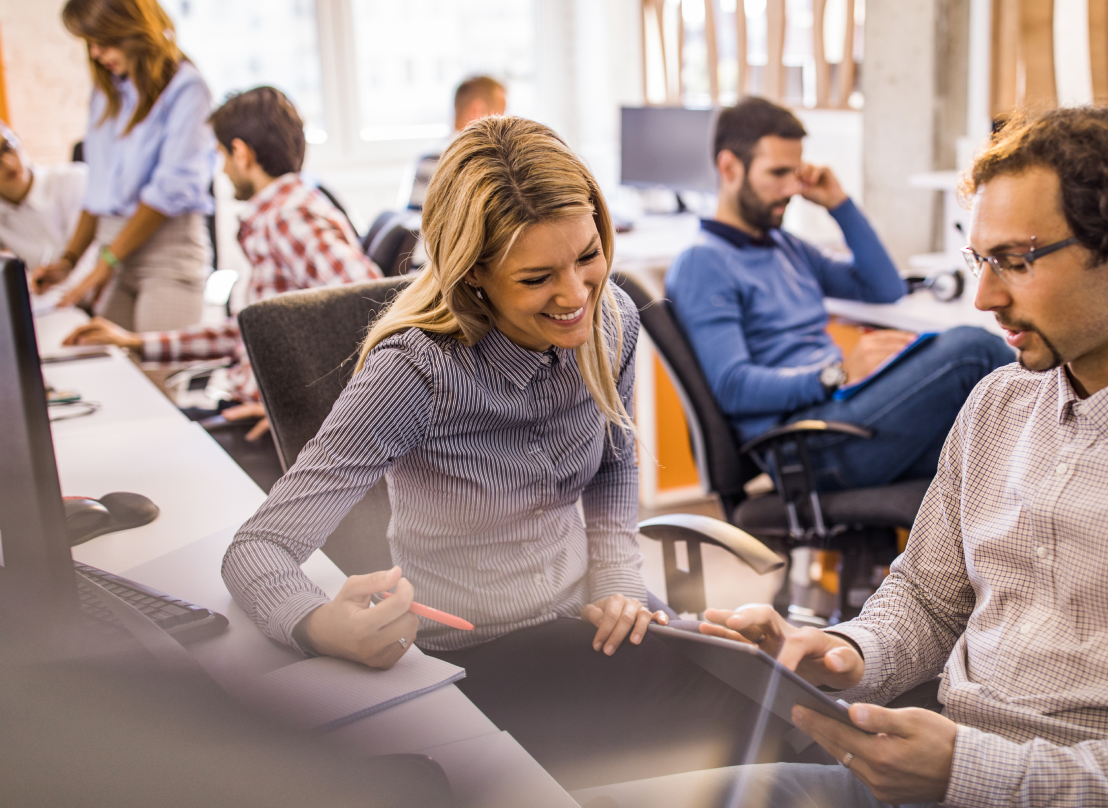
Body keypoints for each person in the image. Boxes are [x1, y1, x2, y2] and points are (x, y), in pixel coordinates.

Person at [573, 106, 1108, 807]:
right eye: (979, 260)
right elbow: (926, 600)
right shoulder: (1000, 403)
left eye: (1016, 260)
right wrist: (846, 651)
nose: (985, 298)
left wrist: (973, 773)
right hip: (928, 771)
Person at [220, 115, 832, 791]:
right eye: (539, 277)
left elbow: (614, 463)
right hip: (480, 654)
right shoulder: (416, 373)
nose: (576, 296)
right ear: (475, 272)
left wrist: (618, 576)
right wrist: (316, 625)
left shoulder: (611, 319)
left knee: (795, 722)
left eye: (588, 257)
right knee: (732, 760)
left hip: (595, 618)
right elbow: (257, 549)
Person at [667, 97, 1013, 492]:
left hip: (840, 414)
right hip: (804, 442)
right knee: (973, 350)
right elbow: (733, 387)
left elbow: (884, 288)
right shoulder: (704, 262)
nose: (790, 189)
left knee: (990, 453)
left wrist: (839, 204)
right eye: (777, 173)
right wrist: (837, 375)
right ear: (729, 167)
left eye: (795, 174)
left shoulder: (787, 246)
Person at [62, 86, 380, 491]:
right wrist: (135, 342)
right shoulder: (276, 214)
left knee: (128, 465)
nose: (223, 169)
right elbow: (243, 332)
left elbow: (375, 306)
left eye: (221, 156)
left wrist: (313, 411)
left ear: (242, 153)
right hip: (243, 406)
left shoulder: (290, 216)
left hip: (264, 429)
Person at [31, 0, 217, 332]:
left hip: (165, 254)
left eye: (103, 41)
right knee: (100, 364)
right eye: (90, 43)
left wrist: (105, 264)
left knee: (152, 378)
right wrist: (69, 261)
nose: (95, 53)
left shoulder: (187, 88)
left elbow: (169, 191)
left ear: (132, 31)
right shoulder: (107, 93)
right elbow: (97, 189)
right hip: (113, 251)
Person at [0, 122, 91, 283]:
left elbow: (88, 264)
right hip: (46, 303)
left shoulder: (74, 180)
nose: (8, 162)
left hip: (98, 292)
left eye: (7, 147)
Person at [400, 75, 507, 210]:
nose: (504, 123)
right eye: (501, 113)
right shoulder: (470, 161)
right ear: (477, 110)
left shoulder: (429, 157)